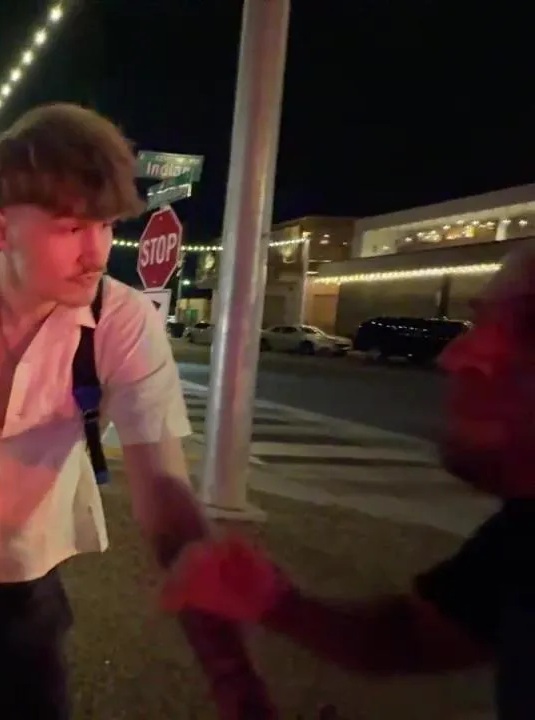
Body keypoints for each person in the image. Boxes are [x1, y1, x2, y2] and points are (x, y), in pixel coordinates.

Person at [0, 103, 272, 719]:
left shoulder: (123, 323)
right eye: (71, 228)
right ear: (1, 229)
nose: (96, 253)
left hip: (30, 565)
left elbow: (163, 490)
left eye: (105, 226)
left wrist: (231, 672)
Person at [161, 245, 535, 718]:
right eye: (480, 324)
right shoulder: (521, 532)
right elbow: (417, 636)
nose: (457, 355)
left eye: (525, 329)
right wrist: (277, 602)